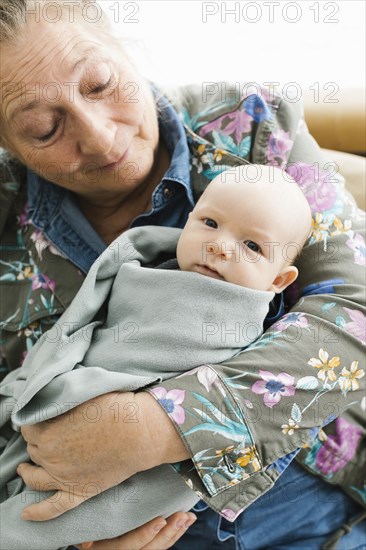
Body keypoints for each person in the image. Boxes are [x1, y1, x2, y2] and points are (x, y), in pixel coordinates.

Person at [0, 1, 364, 549]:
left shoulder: (250, 126)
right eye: (44, 129)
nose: (100, 139)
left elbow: (353, 312)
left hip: (325, 511)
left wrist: (157, 426)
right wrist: (70, 539)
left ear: (122, 44)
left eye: (99, 85)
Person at [0, 165, 312, 550]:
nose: (219, 245)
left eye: (252, 246)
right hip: (69, 396)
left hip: (161, 462)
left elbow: (261, 397)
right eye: (210, 222)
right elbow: (81, 326)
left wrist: (141, 427)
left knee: (39, 515)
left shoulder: (259, 327)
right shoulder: (139, 263)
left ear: (279, 281)